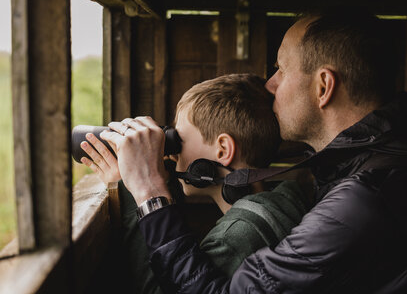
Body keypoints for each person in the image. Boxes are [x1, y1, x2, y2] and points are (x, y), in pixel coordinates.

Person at [102, 7, 407, 293]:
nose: (269, 85)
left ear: (323, 87)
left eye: (281, 69)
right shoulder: (402, 151)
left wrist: (150, 191)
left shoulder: (365, 199)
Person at [81, 73, 312, 292]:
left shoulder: (239, 236)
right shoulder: (281, 204)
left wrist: (135, 191)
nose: (171, 154)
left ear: (223, 150)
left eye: (178, 140)